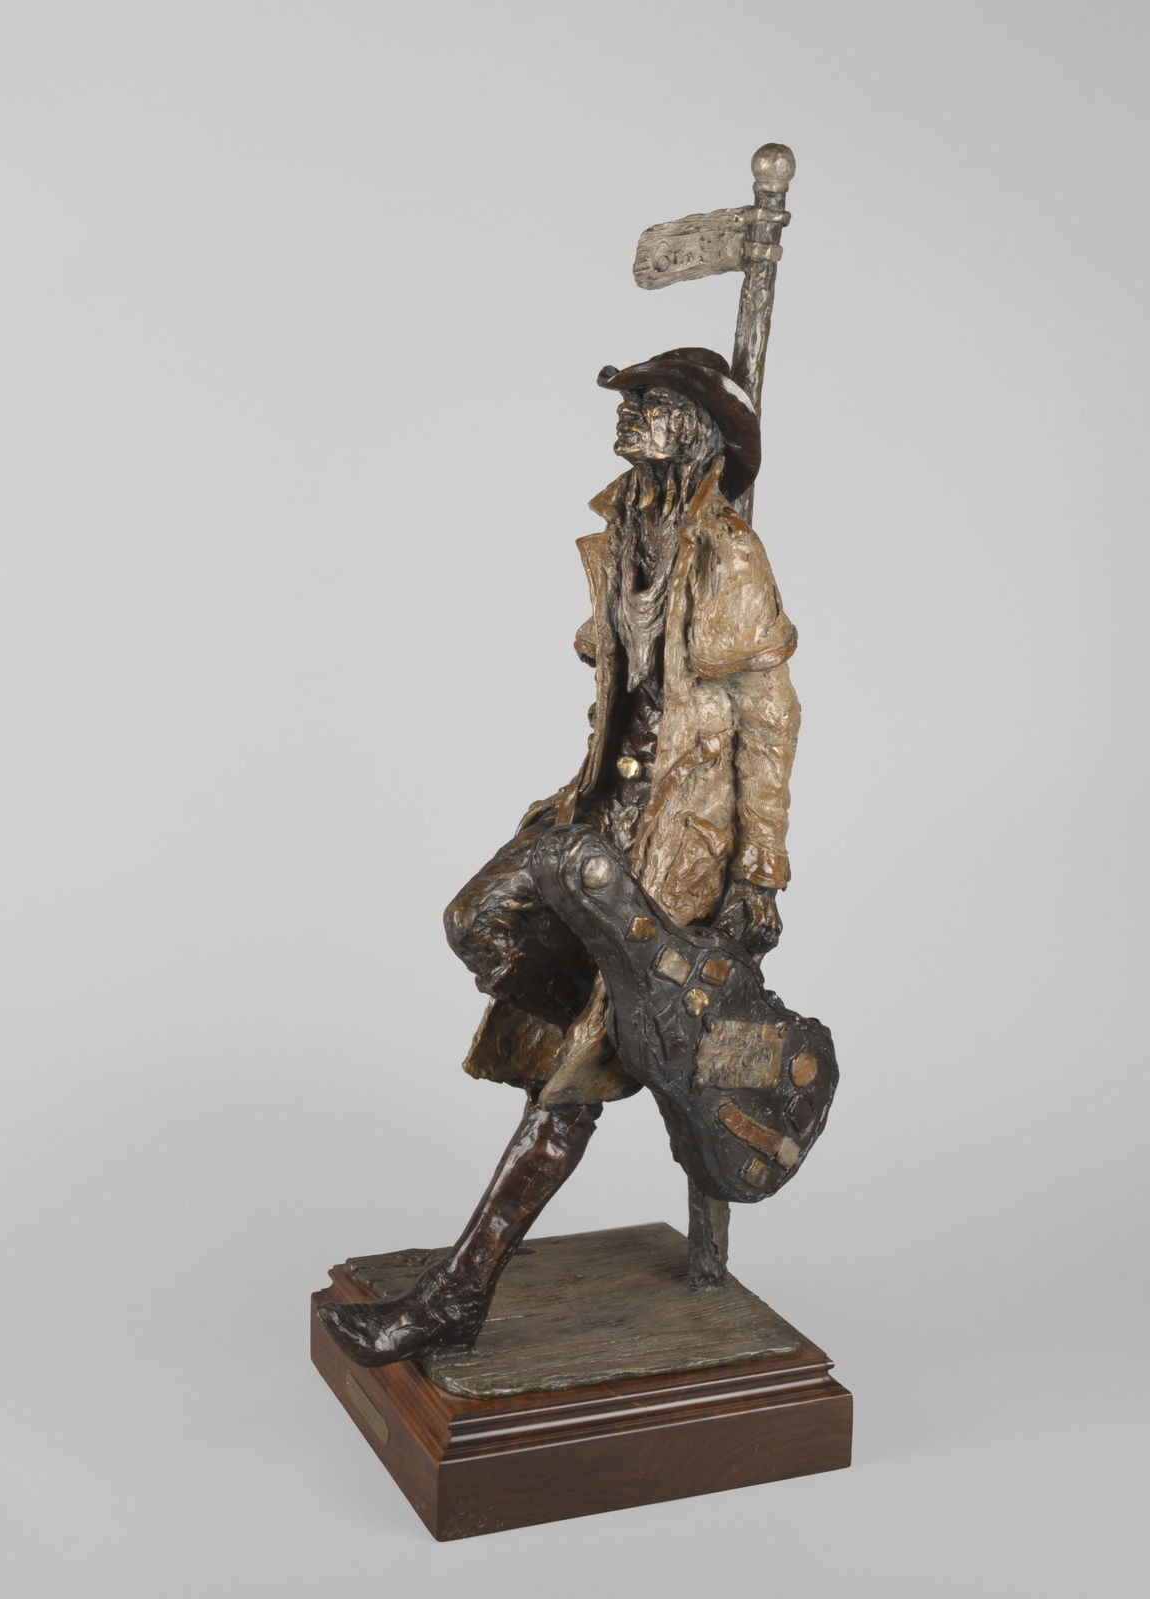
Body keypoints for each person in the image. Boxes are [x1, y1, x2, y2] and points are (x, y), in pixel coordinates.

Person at [318, 348, 800, 1365]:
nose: (629, 414)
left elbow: (768, 712)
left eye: (652, 402)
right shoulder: (627, 526)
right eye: (632, 400)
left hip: (679, 839)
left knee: (570, 1077)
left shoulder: (730, 554)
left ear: (699, 430)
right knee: (478, 921)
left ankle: (459, 1291)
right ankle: (637, 1037)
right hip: (600, 814)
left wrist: (760, 863)